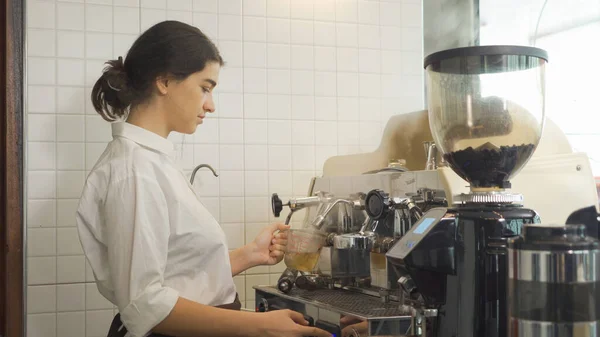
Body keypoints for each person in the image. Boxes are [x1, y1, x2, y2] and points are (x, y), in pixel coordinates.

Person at [75, 20, 332, 337]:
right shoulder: (134, 170)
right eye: (205, 87)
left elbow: (176, 273)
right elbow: (146, 304)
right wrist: (261, 325)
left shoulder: (152, 160)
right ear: (165, 81)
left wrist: (249, 254)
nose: (210, 105)